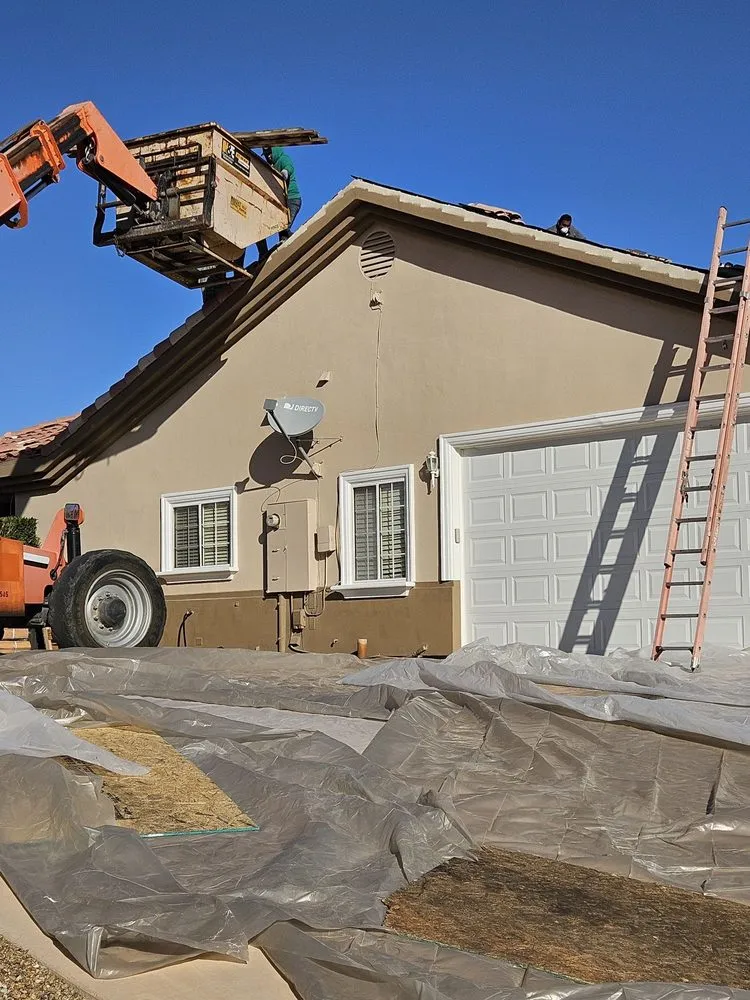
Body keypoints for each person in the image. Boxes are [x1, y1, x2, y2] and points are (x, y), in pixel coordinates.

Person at [255, 146, 302, 260]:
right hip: (280, 202)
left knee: (283, 227)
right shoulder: (270, 167)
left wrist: (284, 173)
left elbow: (288, 167)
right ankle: (263, 253)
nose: (268, 156)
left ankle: (296, 241)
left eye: (269, 153)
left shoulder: (283, 159)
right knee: (262, 226)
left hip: (292, 199)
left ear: (275, 151)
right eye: (266, 154)